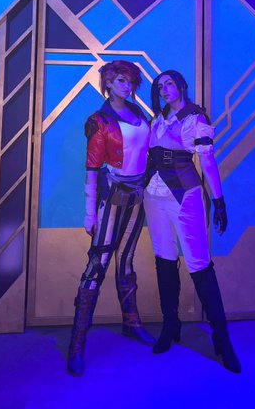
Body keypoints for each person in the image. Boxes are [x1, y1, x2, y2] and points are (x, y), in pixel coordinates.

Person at [144, 70, 241, 373]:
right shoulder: (156, 119)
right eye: (160, 86)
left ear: (182, 85)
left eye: (170, 83)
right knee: (164, 259)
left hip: (185, 197)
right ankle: (170, 325)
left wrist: (219, 201)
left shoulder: (195, 119)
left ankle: (222, 339)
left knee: (199, 264)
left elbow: (207, 162)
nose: (165, 89)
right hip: (153, 196)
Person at [67, 60, 155, 377]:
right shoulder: (100, 120)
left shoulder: (139, 113)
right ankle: (77, 343)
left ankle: (131, 322)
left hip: (137, 195)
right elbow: (92, 168)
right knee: (98, 264)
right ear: (107, 83)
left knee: (126, 261)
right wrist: (89, 211)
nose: (126, 86)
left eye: (130, 81)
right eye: (120, 80)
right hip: (112, 195)